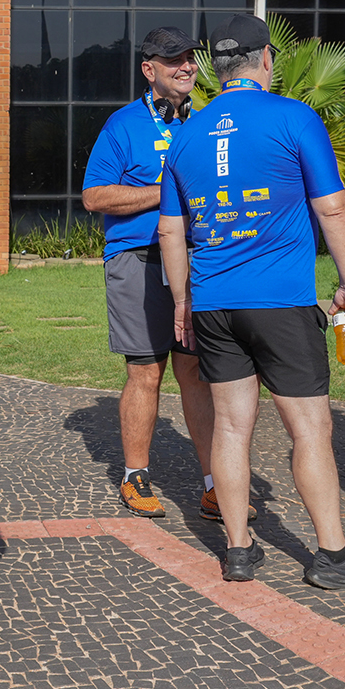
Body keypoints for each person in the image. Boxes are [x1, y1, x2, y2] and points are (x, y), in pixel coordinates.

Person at [156, 12, 345, 591]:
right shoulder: (294, 116)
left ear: (217, 67)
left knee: (231, 430)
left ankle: (238, 550)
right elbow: (333, 207)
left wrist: (183, 302)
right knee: (310, 428)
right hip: (281, 302)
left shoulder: (185, 132)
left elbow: (170, 230)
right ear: (268, 60)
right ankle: (334, 556)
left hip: (214, 303)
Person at [80, 26, 220, 522]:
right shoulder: (122, 125)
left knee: (195, 371)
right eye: (173, 60)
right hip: (137, 258)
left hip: (196, 262)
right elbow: (94, 196)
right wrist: (163, 194)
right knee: (145, 371)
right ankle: (135, 476)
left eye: (190, 59)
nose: (186, 67)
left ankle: (212, 484)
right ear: (149, 69)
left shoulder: (208, 124)